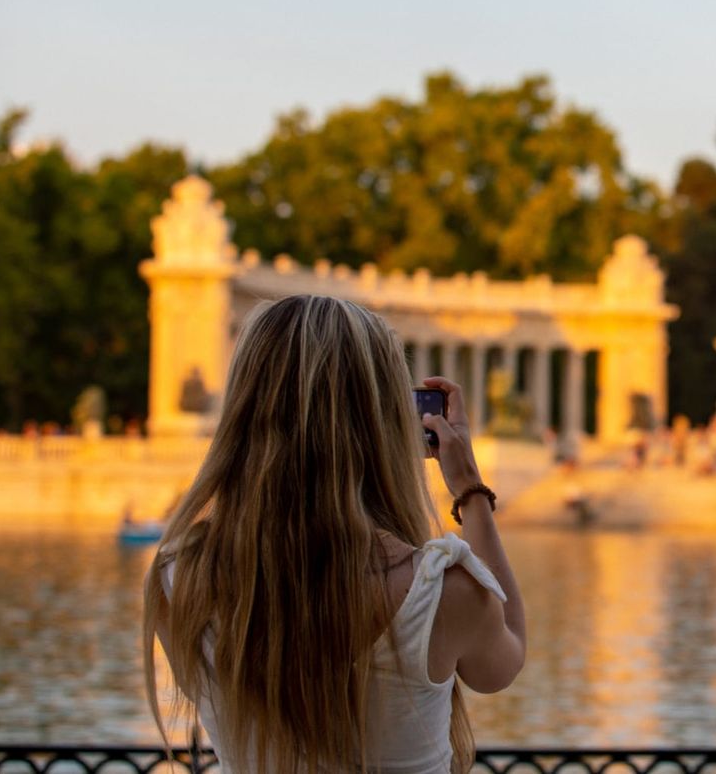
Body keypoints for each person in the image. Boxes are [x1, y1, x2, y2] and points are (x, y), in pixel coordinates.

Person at [142, 295, 526, 774]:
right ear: (382, 420)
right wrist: (471, 491)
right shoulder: (444, 590)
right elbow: (503, 660)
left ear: (242, 409)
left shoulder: (178, 577)